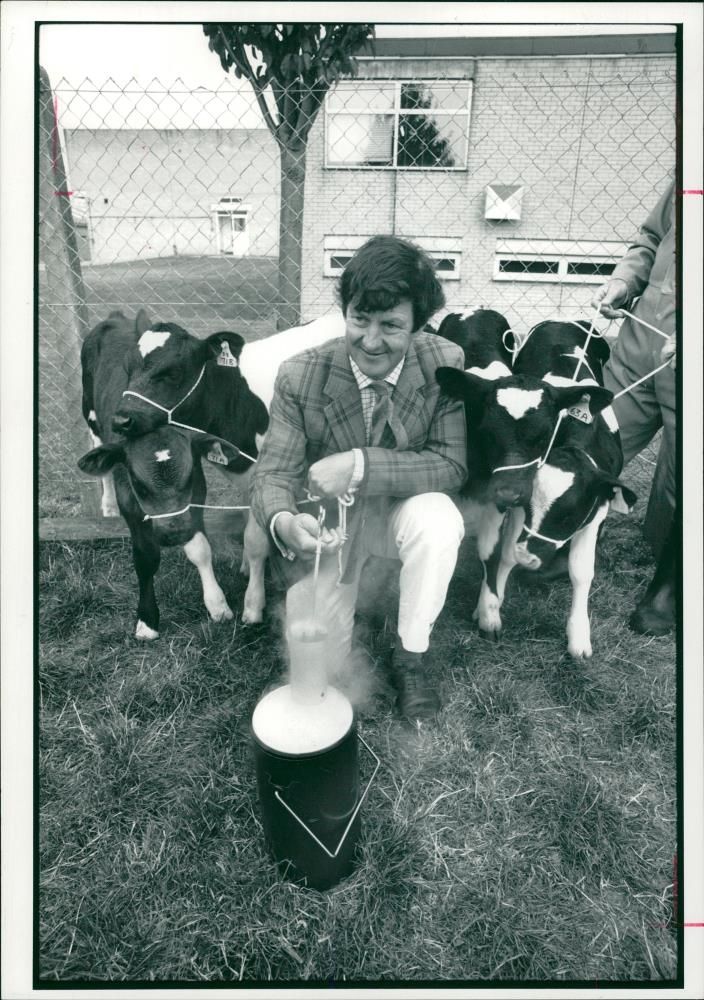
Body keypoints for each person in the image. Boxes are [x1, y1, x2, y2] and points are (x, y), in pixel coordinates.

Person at [250, 236, 467, 722]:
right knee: (320, 667)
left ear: (418, 326)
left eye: (391, 325)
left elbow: (451, 465)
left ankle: (411, 655)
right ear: (344, 311)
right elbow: (274, 473)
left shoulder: (444, 363)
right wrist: (285, 522)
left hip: (399, 515)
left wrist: (361, 464)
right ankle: (345, 614)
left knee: (438, 521)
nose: (370, 340)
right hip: (330, 532)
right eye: (359, 319)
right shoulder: (299, 375)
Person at [591, 179, 676, 635]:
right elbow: (650, 239)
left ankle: (673, 586)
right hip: (641, 343)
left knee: (681, 482)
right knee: (596, 444)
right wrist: (624, 282)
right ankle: (570, 541)